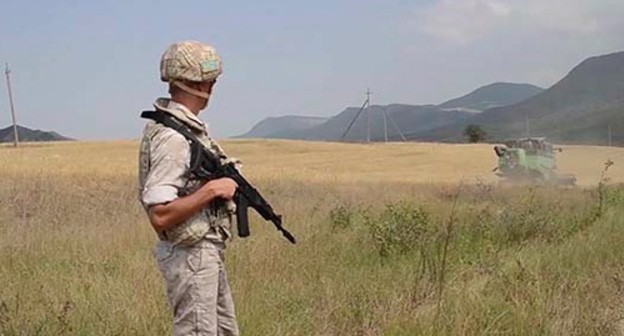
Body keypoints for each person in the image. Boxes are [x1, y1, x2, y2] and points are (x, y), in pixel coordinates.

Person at [138, 40, 239, 336]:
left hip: (203, 250)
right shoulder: (173, 137)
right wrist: (212, 190)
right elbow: (160, 215)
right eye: (211, 80)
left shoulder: (186, 128)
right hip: (190, 253)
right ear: (203, 84)